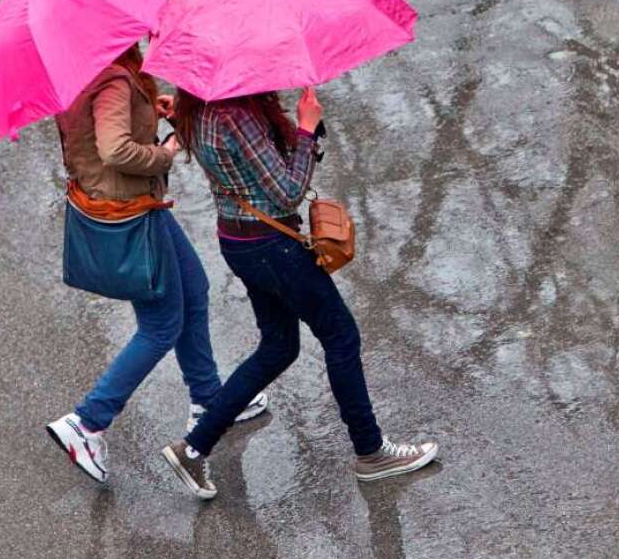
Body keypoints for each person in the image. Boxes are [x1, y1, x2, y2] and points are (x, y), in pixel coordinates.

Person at [159, 86, 438, 500]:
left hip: (239, 239)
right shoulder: (235, 113)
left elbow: (251, 166)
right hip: (272, 246)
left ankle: (194, 447)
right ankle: (372, 451)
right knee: (341, 336)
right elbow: (287, 192)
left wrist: (301, 132)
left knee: (278, 346)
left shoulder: (195, 104)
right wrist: (307, 129)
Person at [45, 44, 268, 484]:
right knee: (161, 324)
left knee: (194, 288)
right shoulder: (112, 78)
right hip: (131, 213)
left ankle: (209, 400)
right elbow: (114, 150)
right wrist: (163, 153)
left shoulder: (81, 69)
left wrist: (151, 113)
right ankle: (87, 422)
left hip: (135, 206)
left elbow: (98, 137)